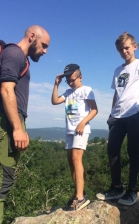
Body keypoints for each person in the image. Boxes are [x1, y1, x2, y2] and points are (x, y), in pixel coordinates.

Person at [0, 25, 50, 224]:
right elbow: (6, 90)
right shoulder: (15, 54)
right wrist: (17, 128)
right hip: (7, 122)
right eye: (44, 45)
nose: (45, 51)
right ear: (32, 37)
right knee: (2, 179)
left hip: (9, 121)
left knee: (6, 178)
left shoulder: (19, 57)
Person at [96, 32, 139, 206]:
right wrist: (111, 113)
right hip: (117, 116)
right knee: (112, 151)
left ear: (135, 47)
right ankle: (116, 187)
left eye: (126, 48)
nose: (124, 52)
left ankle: (132, 191)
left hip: (133, 113)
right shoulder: (118, 70)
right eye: (121, 49)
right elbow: (117, 93)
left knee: (133, 152)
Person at [51, 64, 98, 211]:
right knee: (71, 161)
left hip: (81, 129)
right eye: (68, 81)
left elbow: (94, 110)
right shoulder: (67, 92)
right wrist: (56, 85)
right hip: (70, 130)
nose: (71, 83)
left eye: (72, 80)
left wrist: (83, 123)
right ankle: (79, 192)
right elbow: (54, 101)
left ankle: (80, 197)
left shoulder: (86, 90)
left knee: (77, 159)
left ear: (80, 77)